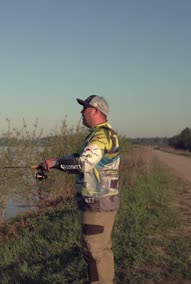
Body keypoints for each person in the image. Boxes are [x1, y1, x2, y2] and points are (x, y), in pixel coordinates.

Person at [39, 94, 120, 284]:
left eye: (84, 108)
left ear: (95, 111)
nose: (81, 112)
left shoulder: (101, 135)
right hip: (103, 201)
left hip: (98, 202)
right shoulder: (101, 134)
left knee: (94, 251)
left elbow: (83, 163)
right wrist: (53, 162)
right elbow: (80, 156)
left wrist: (57, 163)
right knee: (102, 249)